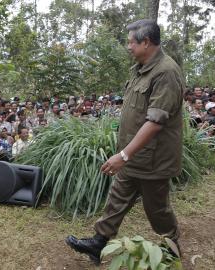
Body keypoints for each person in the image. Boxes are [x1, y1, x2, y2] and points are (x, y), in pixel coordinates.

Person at [66, 19, 184, 264]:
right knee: (118, 196)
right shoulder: (139, 68)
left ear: (146, 42)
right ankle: (99, 242)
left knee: (157, 208)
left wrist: (124, 155)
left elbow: (155, 122)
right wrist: (125, 153)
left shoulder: (166, 72)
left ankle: (171, 247)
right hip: (133, 154)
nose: (128, 47)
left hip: (153, 158)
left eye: (131, 42)